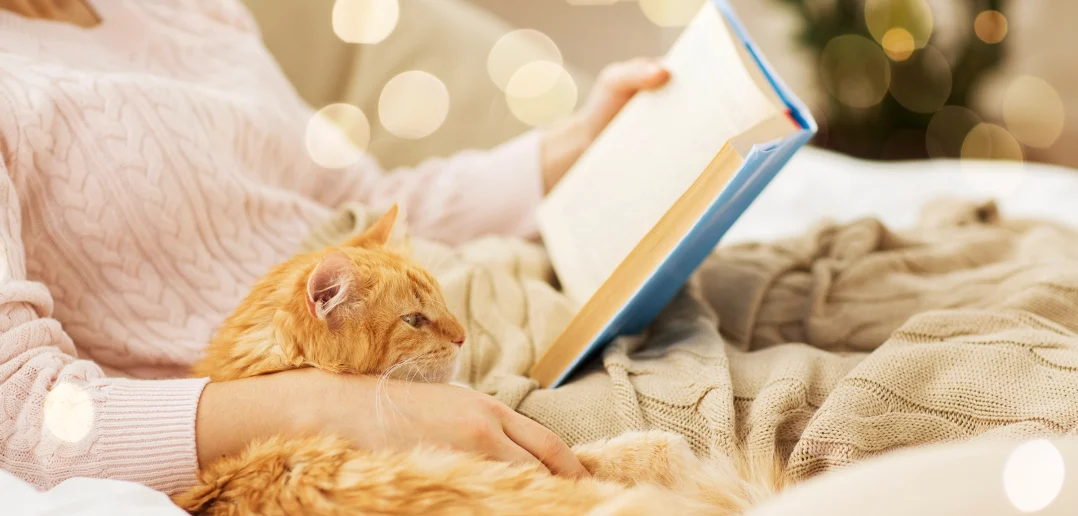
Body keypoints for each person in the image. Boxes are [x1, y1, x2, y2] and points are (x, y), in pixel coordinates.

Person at [0, 0, 670, 494]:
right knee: (737, 422)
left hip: (460, 320)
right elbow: (22, 416)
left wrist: (577, 145)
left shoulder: (188, 8)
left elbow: (363, 205)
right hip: (325, 423)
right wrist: (337, 405)